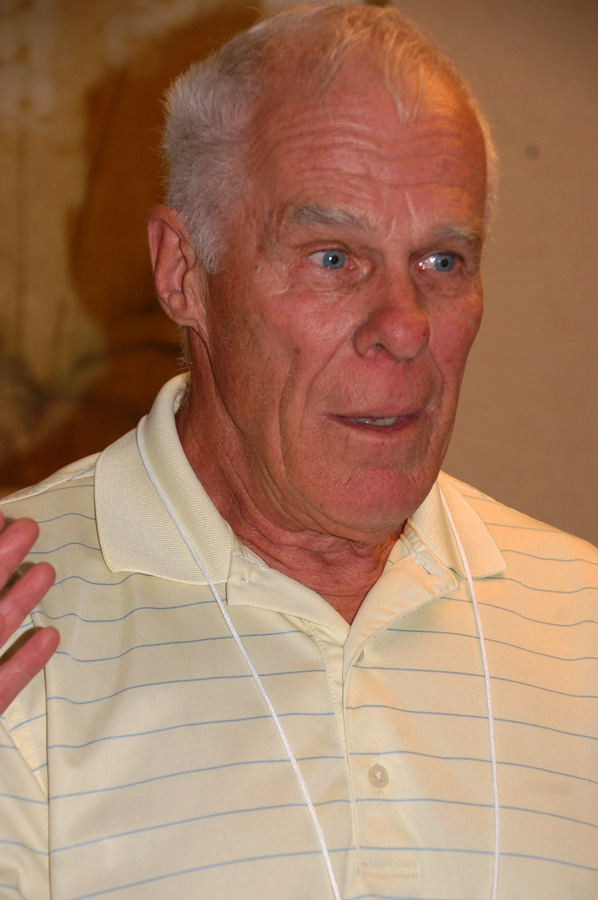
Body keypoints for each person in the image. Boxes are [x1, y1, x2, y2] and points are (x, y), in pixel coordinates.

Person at [0, 4, 596, 899]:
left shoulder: (583, 621)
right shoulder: (17, 619)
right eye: (332, 258)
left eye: (442, 261)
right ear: (183, 271)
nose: (405, 327)